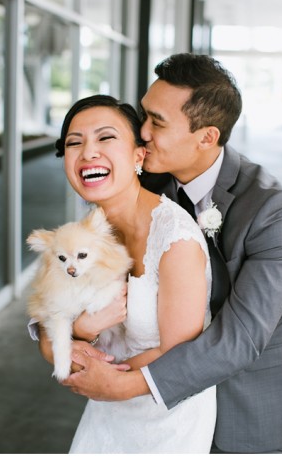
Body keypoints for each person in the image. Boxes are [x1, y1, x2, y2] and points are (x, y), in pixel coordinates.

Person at [62, 54, 282, 455]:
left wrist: (128, 383)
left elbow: (242, 336)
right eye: (144, 115)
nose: (141, 133)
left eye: (157, 122)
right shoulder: (136, 183)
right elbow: (75, 266)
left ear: (207, 137)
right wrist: (67, 331)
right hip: (153, 424)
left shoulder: (273, 210)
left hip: (245, 410)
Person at [36, 94, 216, 453]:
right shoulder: (78, 236)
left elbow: (179, 351)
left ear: (138, 155)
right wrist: (80, 330)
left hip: (168, 416)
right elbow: (46, 328)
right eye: (75, 143)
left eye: (105, 138)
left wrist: (95, 370)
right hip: (105, 412)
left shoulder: (175, 237)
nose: (88, 153)